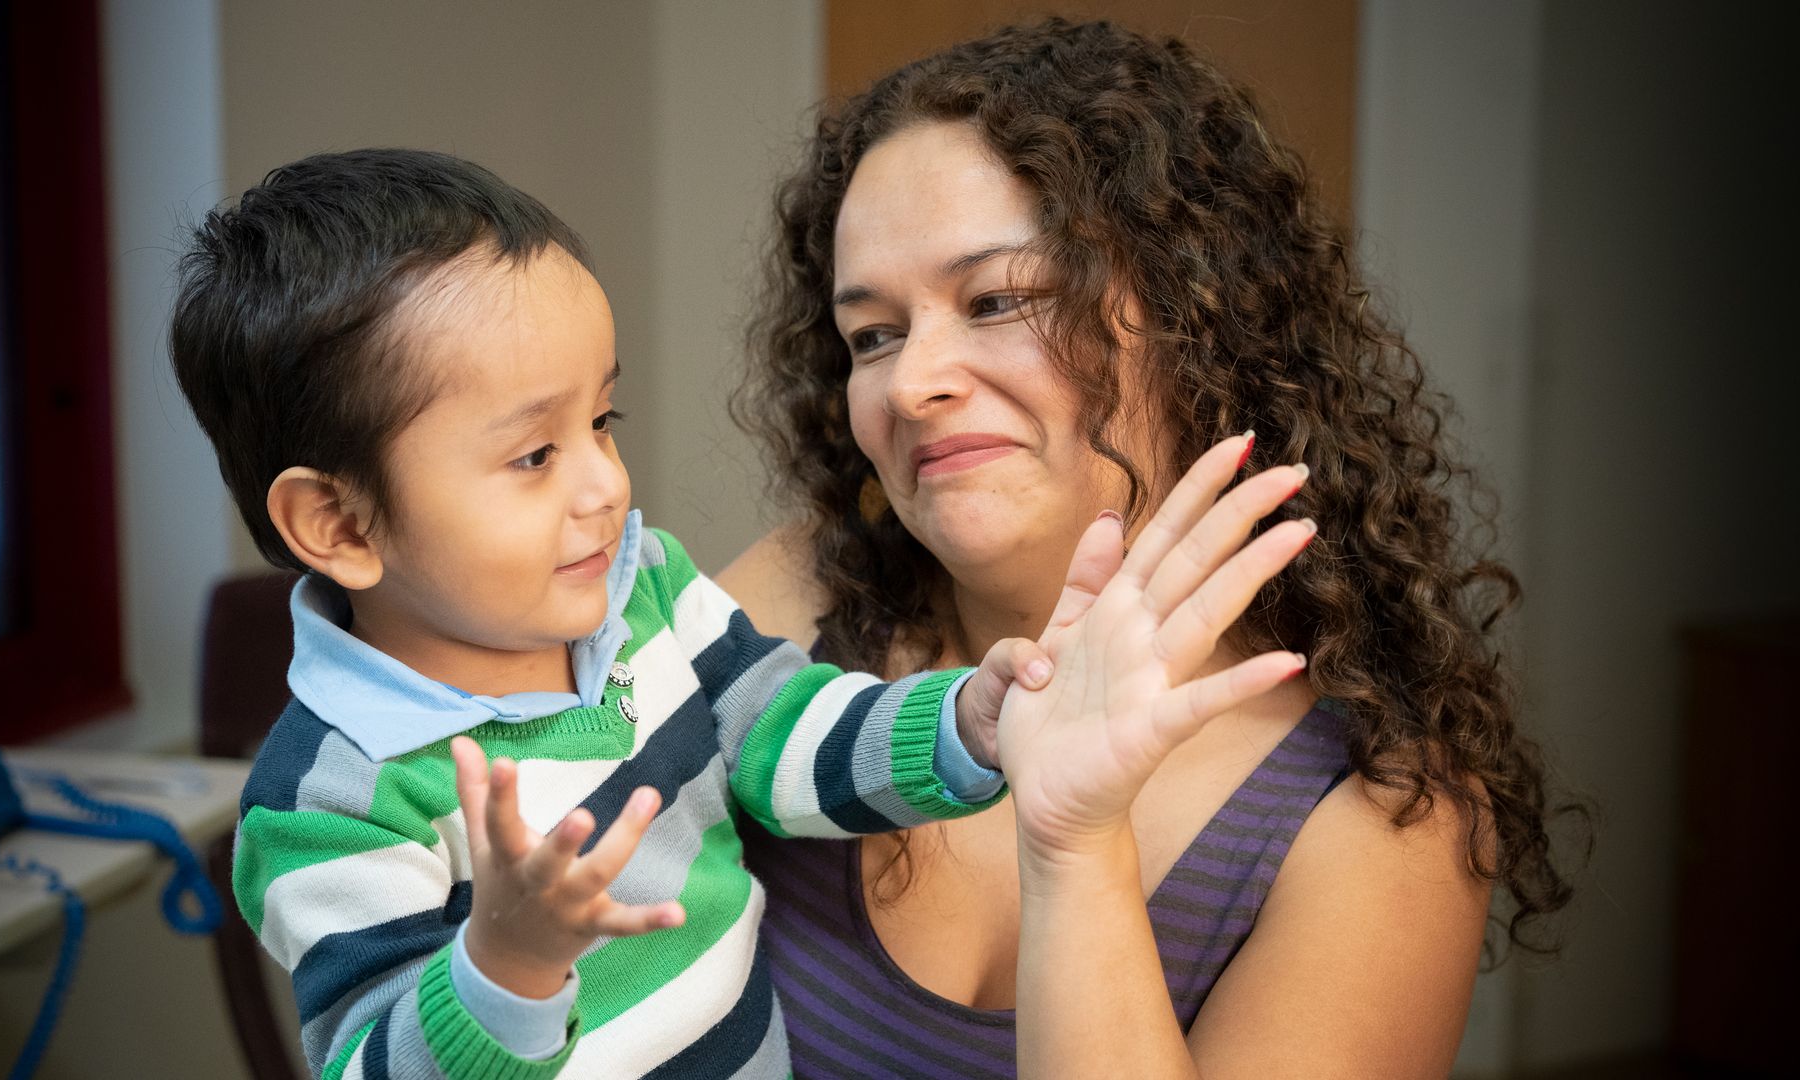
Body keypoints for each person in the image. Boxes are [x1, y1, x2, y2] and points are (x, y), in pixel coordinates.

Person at [170, 148, 1310, 1078]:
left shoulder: (644, 593)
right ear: (341, 526)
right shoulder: (329, 799)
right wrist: (504, 965)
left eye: (603, 423)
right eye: (532, 455)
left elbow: (787, 738)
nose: (605, 485)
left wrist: (971, 721)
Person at [724, 18, 1576, 1078]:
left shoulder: (1382, 813)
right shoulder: (791, 596)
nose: (909, 384)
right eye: (873, 335)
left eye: (998, 301)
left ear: (1190, 319)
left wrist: (1076, 852)